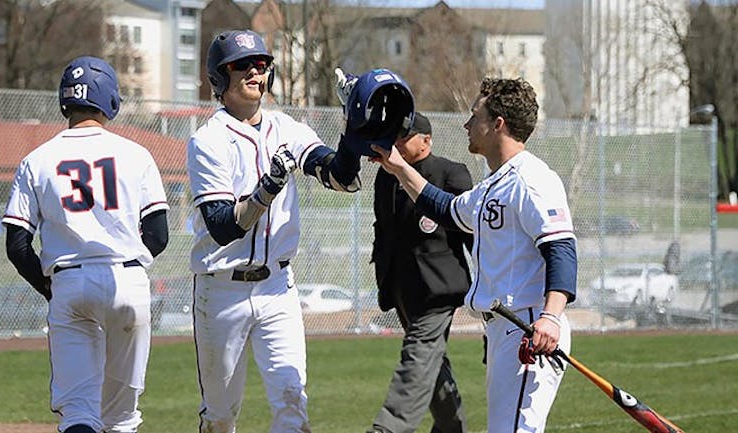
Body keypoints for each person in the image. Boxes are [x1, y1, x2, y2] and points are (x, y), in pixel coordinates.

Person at [186, 30, 414, 433]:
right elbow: (223, 227)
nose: (257, 70)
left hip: (278, 287)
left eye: (262, 63)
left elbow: (340, 176)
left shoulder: (285, 127)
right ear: (219, 78)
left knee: (293, 404)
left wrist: (353, 128)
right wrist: (267, 189)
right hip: (223, 289)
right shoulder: (207, 140)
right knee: (221, 417)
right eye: (245, 64)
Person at [370, 77, 577, 433]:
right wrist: (399, 167)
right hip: (505, 330)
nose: (467, 124)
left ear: (498, 124)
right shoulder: (493, 185)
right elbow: (447, 209)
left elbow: (561, 248)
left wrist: (551, 318)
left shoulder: (532, 180)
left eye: (474, 115)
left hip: (530, 328)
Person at [1, 56, 170, 433]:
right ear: (110, 99)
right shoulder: (136, 154)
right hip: (127, 281)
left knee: (79, 411)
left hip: (70, 282)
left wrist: (47, 284)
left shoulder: (36, 160)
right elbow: (158, 236)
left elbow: (17, 244)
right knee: (122, 418)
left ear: (65, 100)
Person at [367, 112, 474, 433]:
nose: (396, 142)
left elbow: (473, 236)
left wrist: (492, 283)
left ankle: (390, 427)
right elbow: (384, 229)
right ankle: (452, 428)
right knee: (432, 360)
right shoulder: (386, 176)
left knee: (417, 354)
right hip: (400, 286)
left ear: (426, 140)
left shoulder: (451, 173)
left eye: (404, 136)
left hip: (439, 287)